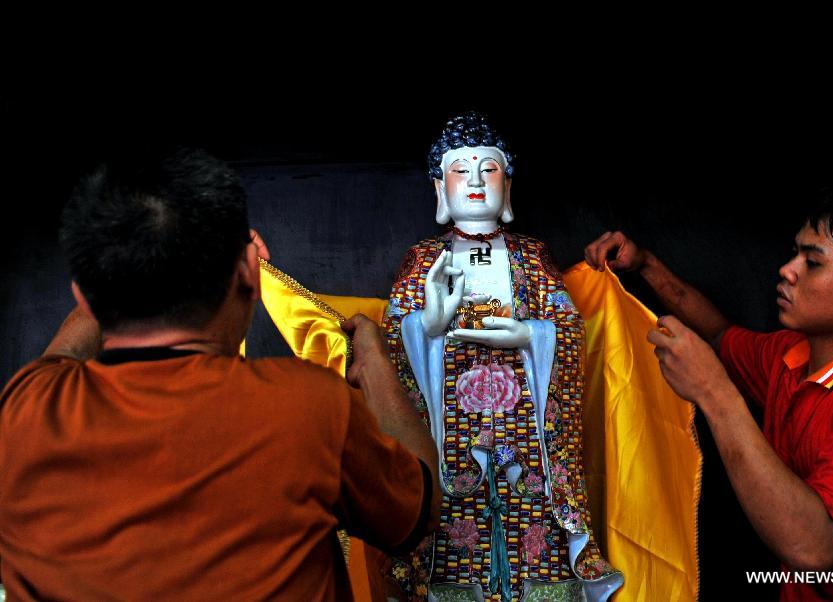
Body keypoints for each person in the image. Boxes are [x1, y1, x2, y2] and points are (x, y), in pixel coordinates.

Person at [0, 147, 440, 600]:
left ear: (83, 297)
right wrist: (377, 368)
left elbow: (60, 359)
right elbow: (419, 507)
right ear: (249, 274)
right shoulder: (309, 407)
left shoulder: (26, 412)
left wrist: (120, 270)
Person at [585, 174, 833, 600]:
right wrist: (645, 266)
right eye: (794, 254)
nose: (787, 270)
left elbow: (816, 547)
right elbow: (717, 334)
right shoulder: (791, 354)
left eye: (813, 262)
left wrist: (715, 394)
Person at [381, 113, 623, 601]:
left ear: (507, 187)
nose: (474, 181)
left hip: (526, 436)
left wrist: (531, 336)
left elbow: (571, 330)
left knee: (530, 519)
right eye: (460, 170)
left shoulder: (532, 256)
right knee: (452, 527)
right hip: (449, 433)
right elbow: (388, 344)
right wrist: (426, 326)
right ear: (439, 189)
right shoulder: (422, 259)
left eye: (487, 169)